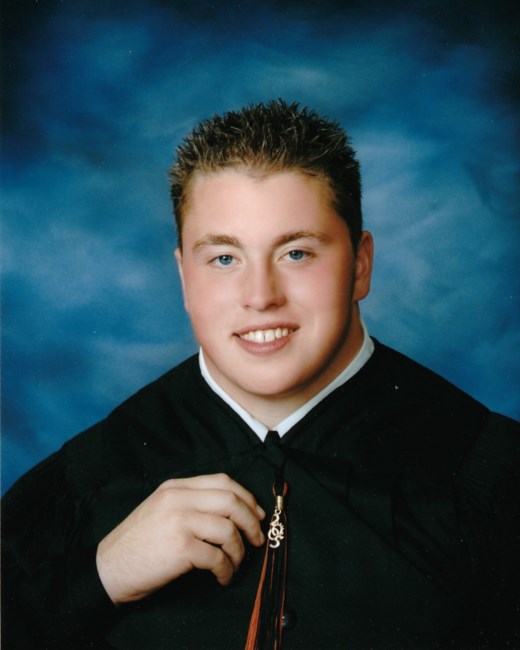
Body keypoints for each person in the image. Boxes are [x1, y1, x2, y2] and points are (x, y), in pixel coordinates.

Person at [2, 99, 519, 650]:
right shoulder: (85, 485)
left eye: (296, 253)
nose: (260, 297)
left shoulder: (489, 476)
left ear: (360, 264)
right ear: (184, 276)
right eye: (224, 259)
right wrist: (97, 579)